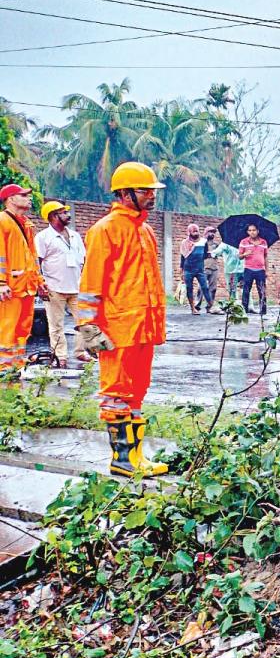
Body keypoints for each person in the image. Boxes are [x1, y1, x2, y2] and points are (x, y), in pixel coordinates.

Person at [75, 162, 168, 477]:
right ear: (125, 193)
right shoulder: (104, 229)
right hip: (117, 329)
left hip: (145, 327)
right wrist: (88, 327)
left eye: (153, 190)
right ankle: (121, 459)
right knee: (116, 392)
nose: (152, 196)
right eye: (145, 191)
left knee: (137, 391)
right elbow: (91, 284)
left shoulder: (146, 231)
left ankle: (136, 457)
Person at [34, 200, 90, 365]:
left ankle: (81, 352)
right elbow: (37, 262)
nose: (68, 215)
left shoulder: (75, 236)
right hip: (54, 287)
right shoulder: (43, 237)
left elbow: (84, 259)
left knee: (85, 321)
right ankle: (61, 356)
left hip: (77, 287)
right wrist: (40, 284)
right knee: (56, 325)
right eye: (63, 212)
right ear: (53, 216)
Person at [0, 183, 43, 382]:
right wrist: (1, 283)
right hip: (10, 288)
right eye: (23, 195)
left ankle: (15, 366)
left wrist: (39, 280)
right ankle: (3, 368)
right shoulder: (2, 221)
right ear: (11, 199)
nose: (29, 198)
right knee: (7, 328)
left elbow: (32, 257)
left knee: (22, 330)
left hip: (26, 287)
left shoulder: (26, 224)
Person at [180, 223, 214, 315]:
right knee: (189, 288)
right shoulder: (184, 243)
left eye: (197, 231)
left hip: (200, 270)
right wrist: (181, 271)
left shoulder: (203, 241)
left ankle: (210, 307)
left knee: (205, 287)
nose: (196, 232)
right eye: (193, 231)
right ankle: (193, 308)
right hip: (188, 270)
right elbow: (183, 257)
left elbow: (205, 254)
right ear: (189, 232)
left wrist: (209, 255)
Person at [238, 224, 269, 314]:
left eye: (254, 230)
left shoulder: (263, 242)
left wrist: (267, 270)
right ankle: (244, 310)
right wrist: (245, 254)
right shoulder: (244, 242)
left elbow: (266, 256)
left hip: (261, 270)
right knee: (246, 290)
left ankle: (263, 311)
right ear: (247, 232)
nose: (252, 232)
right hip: (248, 269)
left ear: (258, 231)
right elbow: (239, 256)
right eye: (250, 230)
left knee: (262, 290)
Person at [209, 233, 242, 300]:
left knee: (232, 288)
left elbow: (216, 252)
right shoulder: (244, 242)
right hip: (243, 268)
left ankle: (234, 303)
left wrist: (210, 253)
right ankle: (249, 304)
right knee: (245, 287)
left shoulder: (225, 243)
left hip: (231, 269)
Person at [202, 227, 224, 310]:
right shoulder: (202, 244)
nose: (212, 234)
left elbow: (221, 254)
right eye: (210, 232)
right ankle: (197, 305)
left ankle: (209, 306)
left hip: (214, 268)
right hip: (204, 268)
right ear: (206, 233)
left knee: (213, 288)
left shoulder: (216, 245)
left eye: (214, 232)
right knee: (202, 287)